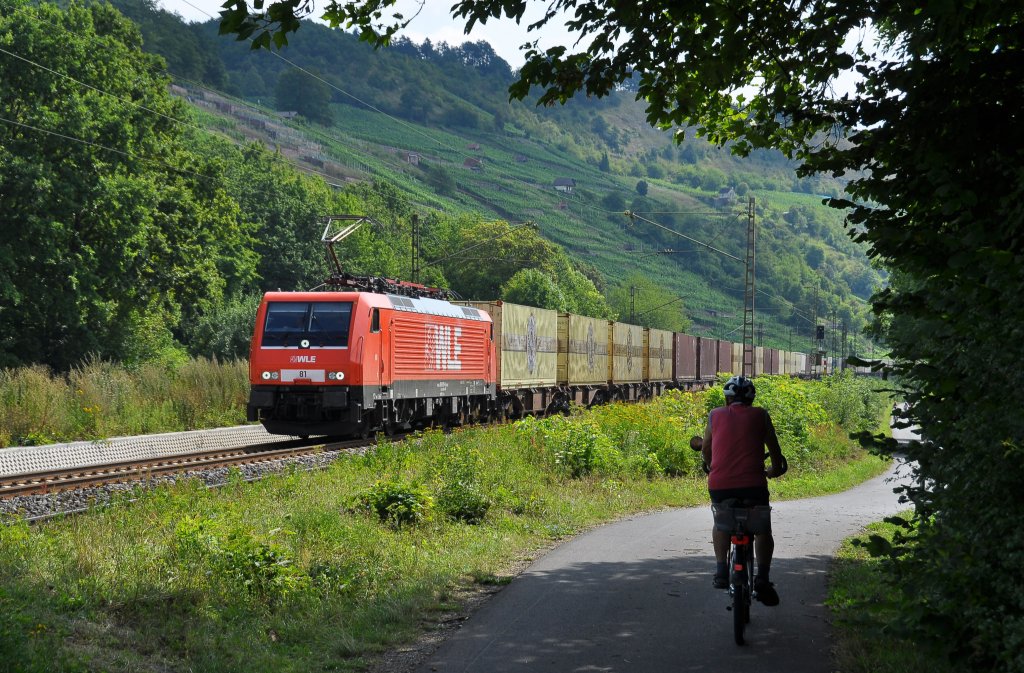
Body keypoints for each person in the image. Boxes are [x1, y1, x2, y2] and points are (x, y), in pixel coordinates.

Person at [701, 375, 785, 606]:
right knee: (763, 530)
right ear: (751, 399)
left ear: (727, 399)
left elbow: (706, 448)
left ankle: (721, 571)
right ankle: (763, 578)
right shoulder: (761, 415)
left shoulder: (714, 415)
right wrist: (775, 470)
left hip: (720, 485)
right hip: (754, 486)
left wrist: (711, 465)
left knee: (721, 523)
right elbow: (775, 451)